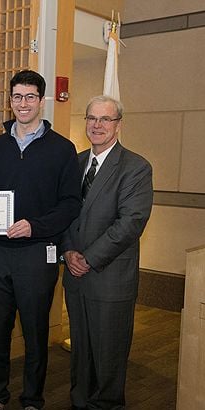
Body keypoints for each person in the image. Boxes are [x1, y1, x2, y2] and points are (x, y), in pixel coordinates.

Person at [0, 70, 81, 410]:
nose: (23, 103)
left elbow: (70, 204)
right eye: (17, 97)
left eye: (30, 97)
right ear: (9, 102)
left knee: (36, 333)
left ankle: (32, 399)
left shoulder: (62, 149)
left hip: (38, 253)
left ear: (41, 101)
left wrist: (34, 227)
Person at [61, 95, 153, 410]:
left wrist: (88, 257)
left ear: (118, 125)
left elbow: (130, 223)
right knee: (81, 353)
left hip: (109, 278)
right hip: (75, 277)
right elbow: (64, 213)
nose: (97, 125)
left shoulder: (136, 167)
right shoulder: (74, 162)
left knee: (109, 355)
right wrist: (69, 252)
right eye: (92, 118)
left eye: (105, 119)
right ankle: (80, 402)